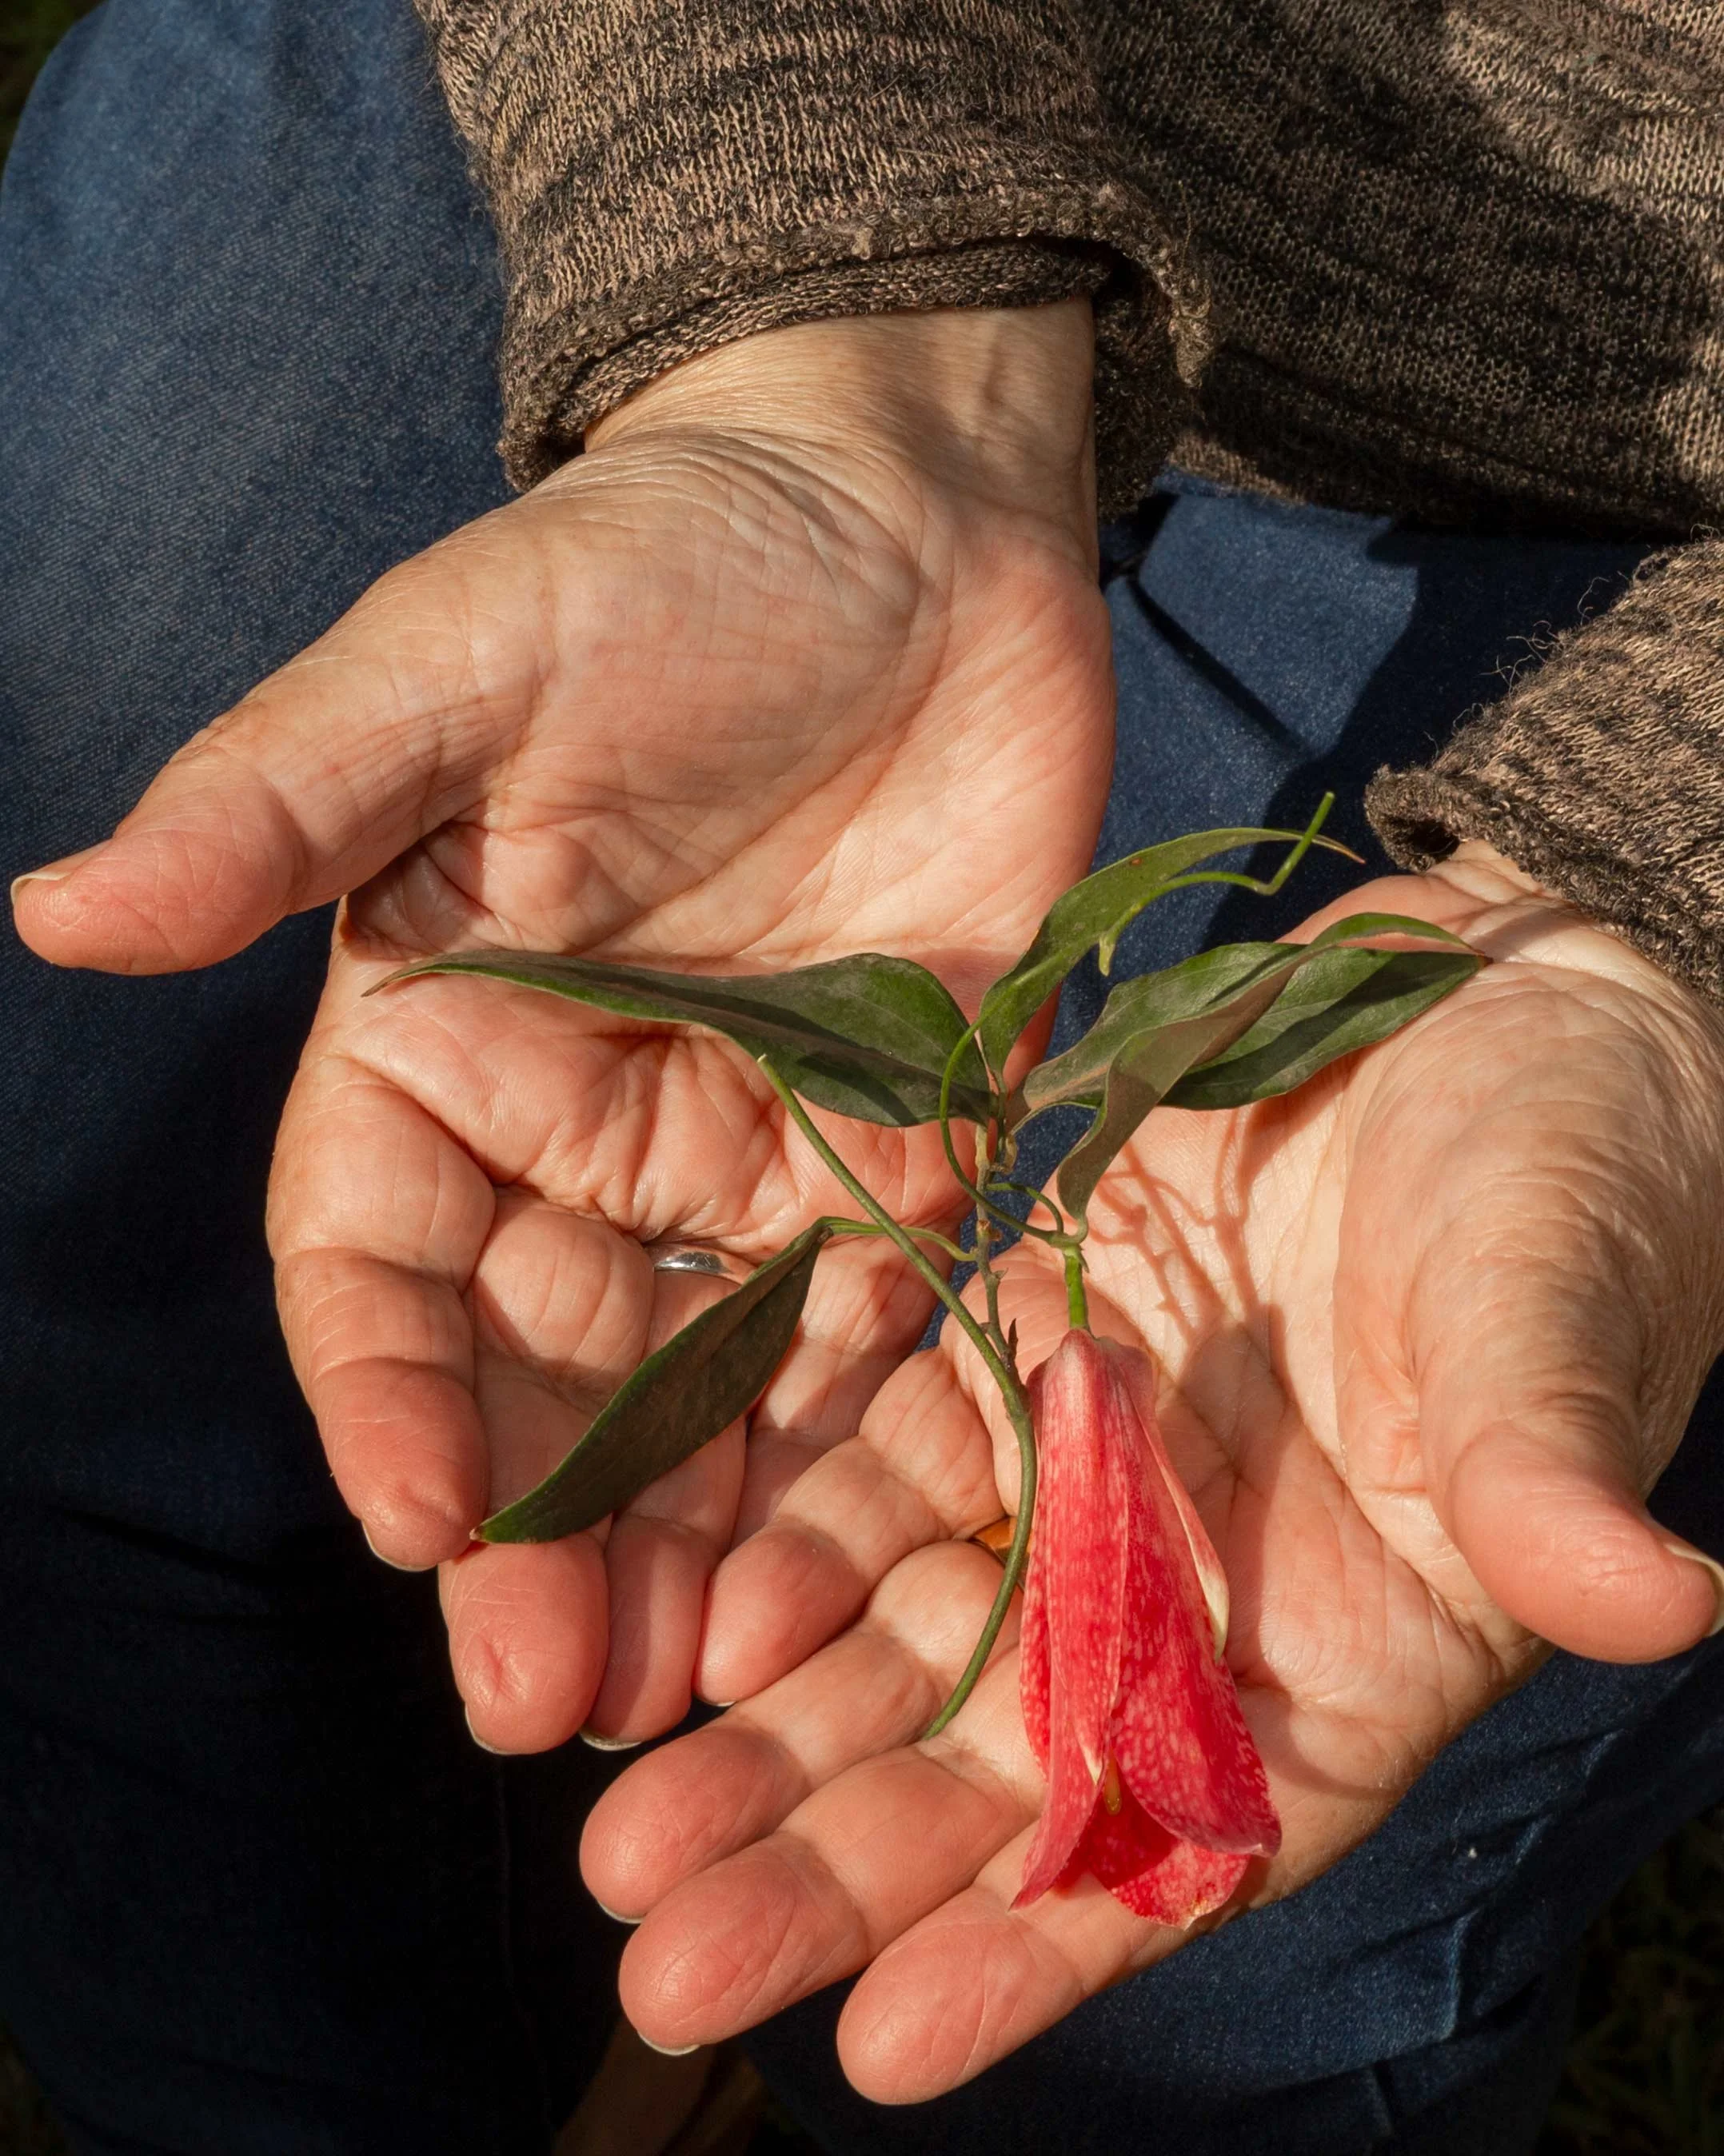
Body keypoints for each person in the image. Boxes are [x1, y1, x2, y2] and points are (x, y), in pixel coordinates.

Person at [3, 2, 1723, 2153]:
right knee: (90, 1347)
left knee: (1186, 1976)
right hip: (653, 79)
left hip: (1647, 549)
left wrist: (1661, 901)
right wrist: (825, 329)